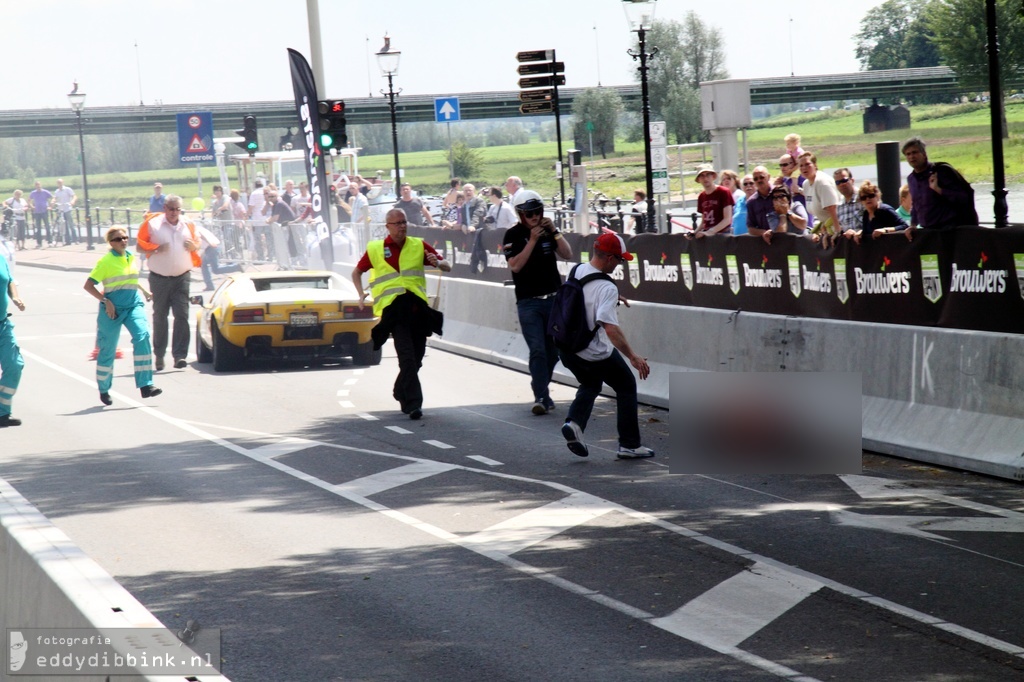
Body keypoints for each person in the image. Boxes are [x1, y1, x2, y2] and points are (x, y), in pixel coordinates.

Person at [558, 232, 654, 460]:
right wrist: (633, 356)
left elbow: (586, 295)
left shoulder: (579, 270)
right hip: (592, 351)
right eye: (620, 260)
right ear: (610, 258)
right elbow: (610, 329)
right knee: (626, 384)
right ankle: (629, 445)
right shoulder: (607, 288)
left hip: (566, 348)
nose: (620, 264)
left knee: (591, 383)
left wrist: (613, 297)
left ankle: (574, 423)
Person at [351, 208, 450, 420]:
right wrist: (360, 294)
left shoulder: (417, 245)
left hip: (417, 310)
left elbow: (446, 266)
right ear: (387, 227)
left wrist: (438, 262)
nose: (402, 226)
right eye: (397, 223)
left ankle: (399, 389)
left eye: (404, 222)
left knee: (418, 358)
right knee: (406, 357)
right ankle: (413, 404)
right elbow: (357, 272)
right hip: (395, 313)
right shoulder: (376, 249)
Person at [502, 190, 573, 415]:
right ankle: (541, 396)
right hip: (528, 303)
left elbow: (567, 254)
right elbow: (515, 266)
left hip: (552, 300)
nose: (534, 217)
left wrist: (555, 232)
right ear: (521, 214)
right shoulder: (512, 235)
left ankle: (539, 385)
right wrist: (532, 240)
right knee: (538, 350)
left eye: (538, 212)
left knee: (554, 352)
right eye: (530, 213)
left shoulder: (547, 232)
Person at [83, 227, 162, 406]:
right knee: (107, 350)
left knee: (142, 336)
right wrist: (105, 301)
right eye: (119, 239)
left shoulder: (130, 256)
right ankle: (104, 389)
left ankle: (146, 385)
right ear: (111, 242)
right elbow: (88, 286)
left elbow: (129, 280)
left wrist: (144, 290)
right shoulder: (105, 261)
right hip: (112, 309)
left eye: (126, 238)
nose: (124, 241)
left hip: (133, 304)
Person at [136, 195, 201, 371]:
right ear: (165, 208)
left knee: (182, 315)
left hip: (182, 277)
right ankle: (159, 355)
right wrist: (156, 248)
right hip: (159, 278)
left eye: (177, 209)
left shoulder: (188, 224)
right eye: (171, 209)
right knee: (160, 317)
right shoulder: (153, 224)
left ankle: (180, 356)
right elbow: (139, 246)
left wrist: (194, 247)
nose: (174, 212)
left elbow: (198, 242)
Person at [902, 136, 977, 230]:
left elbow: (963, 197)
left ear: (924, 154)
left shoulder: (941, 171)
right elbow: (916, 205)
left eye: (914, 152)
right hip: (928, 231)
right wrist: (913, 225)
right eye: (908, 154)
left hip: (949, 229)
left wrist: (939, 190)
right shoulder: (911, 179)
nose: (911, 157)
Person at [0, 251, 25, 427]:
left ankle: (2, 412)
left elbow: (9, 280)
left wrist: (15, 297)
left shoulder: (0, 258)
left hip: (2, 324)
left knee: (15, 365)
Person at [797, 152, 842, 247]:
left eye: (807, 164)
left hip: (838, 223)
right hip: (824, 226)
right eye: (801, 165)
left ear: (815, 165)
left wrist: (837, 232)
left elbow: (832, 208)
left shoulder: (822, 182)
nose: (804, 168)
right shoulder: (806, 184)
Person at [845, 181, 909, 244]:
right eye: (864, 198)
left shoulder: (885, 210)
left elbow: (905, 226)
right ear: (861, 201)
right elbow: (868, 232)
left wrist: (885, 230)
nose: (867, 199)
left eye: (871, 196)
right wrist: (860, 233)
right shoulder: (866, 214)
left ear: (877, 196)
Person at [692, 165, 734, 238]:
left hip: (723, 235)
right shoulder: (701, 196)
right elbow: (703, 222)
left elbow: (727, 219)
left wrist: (710, 232)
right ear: (698, 179)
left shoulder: (724, 192)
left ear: (713, 176)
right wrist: (694, 233)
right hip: (707, 236)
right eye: (702, 176)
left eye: (708, 175)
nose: (705, 178)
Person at [198, 223, 242, 291]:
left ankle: (236, 267)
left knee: (216, 270)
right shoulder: (198, 227)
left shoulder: (194, 229)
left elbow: (201, 235)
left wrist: (210, 242)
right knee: (203, 264)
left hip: (212, 247)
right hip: (210, 247)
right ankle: (209, 285)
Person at [745, 166, 775, 238]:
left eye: (761, 177)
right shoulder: (751, 202)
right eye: (755, 179)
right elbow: (750, 228)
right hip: (764, 242)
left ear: (768, 177)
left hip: (783, 239)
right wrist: (764, 233)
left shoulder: (779, 194)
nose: (759, 180)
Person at [53, 178, 78, 244]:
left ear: (62, 183)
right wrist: (53, 201)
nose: (59, 184)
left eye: (60, 183)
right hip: (61, 209)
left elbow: (74, 196)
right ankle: (68, 240)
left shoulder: (67, 189)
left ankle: (75, 240)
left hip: (67, 208)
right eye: (58, 183)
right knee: (64, 226)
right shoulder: (57, 191)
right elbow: (54, 198)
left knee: (71, 224)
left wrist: (72, 201)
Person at [29, 181, 53, 248]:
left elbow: (53, 197)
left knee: (47, 226)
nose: (38, 187)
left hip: (44, 211)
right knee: (38, 228)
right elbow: (29, 200)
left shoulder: (45, 192)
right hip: (37, 212)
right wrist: (32, 206)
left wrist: (50, 205)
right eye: (37, 185)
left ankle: (50, 241)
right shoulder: (33, 193)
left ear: (40, 185)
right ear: (35, 186)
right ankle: (39, 243)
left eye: (39, 185)